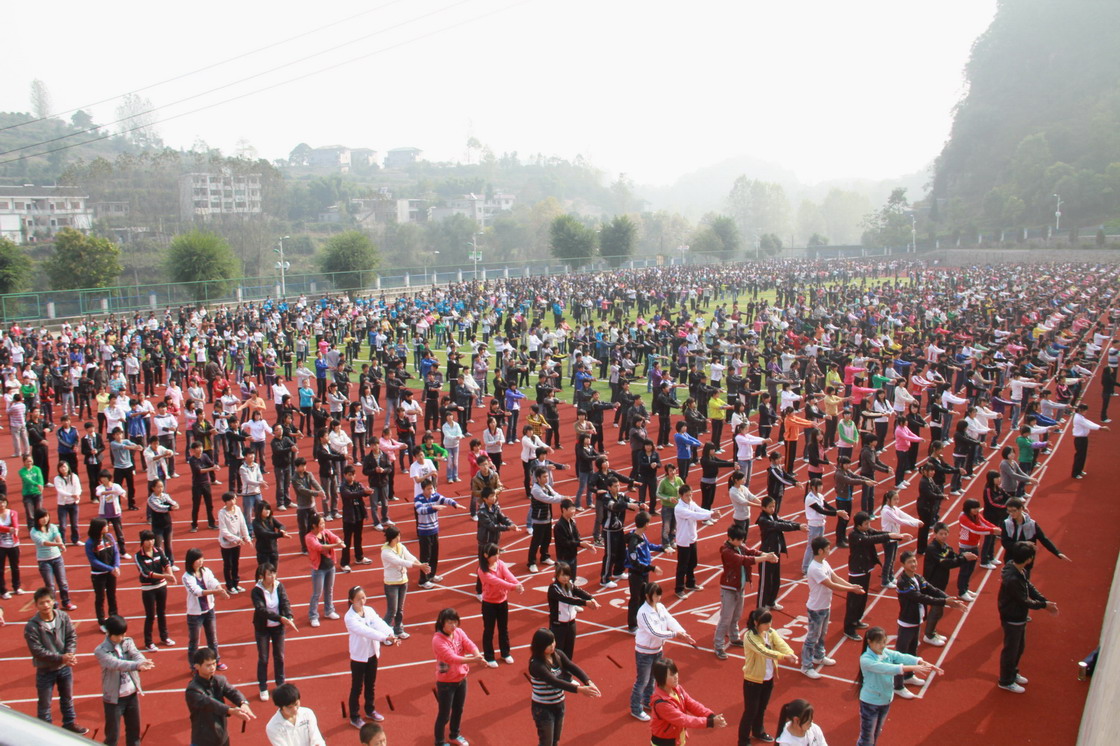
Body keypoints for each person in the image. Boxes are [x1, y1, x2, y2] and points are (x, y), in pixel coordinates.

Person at [893, 551, 964, 698]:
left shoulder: (918, 578)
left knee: (912, 651)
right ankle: (897, 685)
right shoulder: (903, 582)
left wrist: (947, 597)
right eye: (910, 562)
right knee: (900, 655)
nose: (914, 564)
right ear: (903, 565)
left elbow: (932, 589)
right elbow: (921, 597)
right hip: (907, 622)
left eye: (914, 561)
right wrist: (945, 602)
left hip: (917, 621)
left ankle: (909, 675)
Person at [856, 627, 941, 746]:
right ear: (869, 642)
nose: (882, 645)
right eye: (879, 642)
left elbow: (901, 656)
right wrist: (913, 668)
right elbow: (887, 669)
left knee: (875, 733)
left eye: (884, 642)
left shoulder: (885, 652)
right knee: (867, 738)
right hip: (870, 703)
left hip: (885, 700)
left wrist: (922, 662)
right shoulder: (866, 659)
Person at [23, 586, 88, 734]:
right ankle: (45, 731)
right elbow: (37, 651)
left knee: (67, 698)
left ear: (53, 602)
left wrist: (69, 654)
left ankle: (69, 723)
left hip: (65, 667)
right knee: (45, 704)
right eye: (41, 603)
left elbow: (72, 636)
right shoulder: (32, 627)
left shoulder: (63, 617)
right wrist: (62, 658)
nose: (45, 605)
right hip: (45, 670)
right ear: (36, 605)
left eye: (47, 601)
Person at [997, 541, 1059, 693]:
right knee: (1011, 650)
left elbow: (1029, 587)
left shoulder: (1017, 569)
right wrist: (1044, 606)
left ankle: (1013, 673)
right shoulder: (1013, 578)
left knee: (1019, 648)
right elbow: (1024, 600)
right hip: (1012, 617)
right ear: (1029, 559)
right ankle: (1005, 680)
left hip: (1018, 616)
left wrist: (1043, 600)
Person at [630, 582, 695, 722]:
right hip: (644, 652)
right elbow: (654, 632)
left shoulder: (660, 607)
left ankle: (647, 700)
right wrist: (674, 635)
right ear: (647, 596)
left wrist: (682, 632)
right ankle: (636, 708)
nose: (659, 597)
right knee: (642, 680)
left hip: (657, 650)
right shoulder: (643, 612)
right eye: (656, 595)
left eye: (659, 594)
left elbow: (670, 620)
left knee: (653, 678)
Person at [803, 536, 865, 679]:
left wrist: (852, 585)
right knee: (812, 637)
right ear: (820, 551)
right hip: (816, 608)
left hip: (825, 605)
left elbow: (835, 577)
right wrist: (851, 590)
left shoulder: (824, 563)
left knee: (822, 634)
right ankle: (806, 666)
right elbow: (832, 585)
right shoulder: (814, 568)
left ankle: (819, 656)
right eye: (827, 549)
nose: (830, 550)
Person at [528, 627, 600, 746]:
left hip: (558, 704)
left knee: (555, 740)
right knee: (546, 743)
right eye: (548, 644)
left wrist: (588, 681)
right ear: (540, 646)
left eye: (553, 642)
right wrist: (580, 689)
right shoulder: (536, 664)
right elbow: (553, 681)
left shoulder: (558, 654)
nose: (552, 646)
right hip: (543, 708)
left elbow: (572, 667)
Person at [714, 524, 776, 659]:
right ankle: (718, 646)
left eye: (742, 540)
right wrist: (766, 558)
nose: (742, 542)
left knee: (736, 615)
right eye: (739, 540)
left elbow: (751, 552)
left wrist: (766, 554)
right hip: (729, 588)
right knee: (725, 618)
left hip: (739, 587)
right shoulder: (726, 551)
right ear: (730, 538)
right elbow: (745, 560)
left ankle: (734, 637)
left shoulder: (738, 546)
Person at [94, 614, 154, 746]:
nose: (121, 638)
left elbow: (136, 654)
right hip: (114, 699)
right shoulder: (101, 651)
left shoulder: (127, 641)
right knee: (112, 736)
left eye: (123, 634)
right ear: (108, 633)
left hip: (131, 695)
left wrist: (143, 661)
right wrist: (137, 665)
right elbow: (116, 664)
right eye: (117, 635)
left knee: (134, 733)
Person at [739, 609, 797, 745]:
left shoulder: (770, 632)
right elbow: (763, 651)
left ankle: (758, 731)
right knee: (750, 711)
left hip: (768, 678)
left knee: (762, 708)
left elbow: (780, 643)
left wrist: (790, 653)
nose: (769, 625)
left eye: (770, 622)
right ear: (756, 623)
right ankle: (743, 740)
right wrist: (784, 657)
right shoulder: (749, 637)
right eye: (765, 623)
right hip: (753, 680)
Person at [843, 513, 902, 640]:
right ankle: (849, 628)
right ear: (859, 525)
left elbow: (878, 534)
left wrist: (897, 536)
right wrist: (890, 535)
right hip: (857, 571)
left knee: (863, 597)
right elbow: (870, 540)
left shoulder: (866, 531)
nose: (869, 526)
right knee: (854, 600)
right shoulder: (854, 535)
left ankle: (856, 620)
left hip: (866, 569)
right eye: (866, 524)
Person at [344, 585, 396, 728]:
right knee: (357, 687)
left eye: (363, 597)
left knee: (370, 684)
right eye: (358, 599)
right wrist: (385, 638)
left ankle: (370, 710)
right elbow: (366, 631)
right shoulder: (350, 618)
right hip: (359, 657)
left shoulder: (369, 610)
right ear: (351, 600)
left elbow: (379, 623)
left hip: (372, 653)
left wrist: (390, 633)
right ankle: (354, 716)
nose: (362, 601)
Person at [432, 607, 485, 746]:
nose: (453, 626)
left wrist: (477, 654)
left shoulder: (458, 632)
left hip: (461, 678)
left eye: (455, 622)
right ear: (442, 623)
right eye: (449, 623)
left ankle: (454, 735)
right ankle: (439, 741)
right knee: (444, 715)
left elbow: (469, 644)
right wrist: (475, 661)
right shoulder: (438, 640)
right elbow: (452, 658)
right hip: (446, 682)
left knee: (458, 709)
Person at [648, 657, 727, 744]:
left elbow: (691, 703)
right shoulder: (661, 703)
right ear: (662, 678)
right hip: (665, 742)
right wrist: (709, 722)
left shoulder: (677, 688)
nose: (676, 676)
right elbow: (683, 719)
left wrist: (710, 715)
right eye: (671, 674)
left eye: (675, 672)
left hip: (677, 737)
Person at [186, 647, 255, 746]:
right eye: (208, 665)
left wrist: (243, 703)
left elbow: (232, 692)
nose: (212, 668)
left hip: (221, 737)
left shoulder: (220, 680)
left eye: (214, 663)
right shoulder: (193, 690)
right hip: (202, 739)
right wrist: (231, 710)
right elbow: (209, 703)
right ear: (197, 666)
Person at [252, 562, 297, 701]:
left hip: (278, 627)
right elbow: (261, 610)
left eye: (274, 573)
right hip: (263, 628)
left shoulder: (279, 586)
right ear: (262, 576)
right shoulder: (256, 591)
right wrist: (280, 618)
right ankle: (263, 687)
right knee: (264, 658)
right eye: (269, 574)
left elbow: (285, 602)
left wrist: (289, 616)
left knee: (279, 656)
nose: (272, 576)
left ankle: (280, 683)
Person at [756, 496, 806, 610]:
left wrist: (797, 524)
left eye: (773, 506)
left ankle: (771, 602)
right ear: (763, 507)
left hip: (776, 553)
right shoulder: (763, 520)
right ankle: (761, 607)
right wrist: (798, 527)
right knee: (765, 582)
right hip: (766, 555)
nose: (773, 509)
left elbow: (783, 521)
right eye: (770, 507)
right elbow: (778, 525)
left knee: (776, 580)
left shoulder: (773, 516)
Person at [183, 547, 229, 671]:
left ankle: (216, 661)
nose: (200, 561)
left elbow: (213, 581)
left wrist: (219, 588)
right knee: (194, 642)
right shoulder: (187, 577)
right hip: (195, 614)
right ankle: (194, 666)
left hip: (209, 610)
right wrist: (217, 592)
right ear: (191, 561)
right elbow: (197, 592)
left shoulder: (206, 571)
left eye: (201, 558)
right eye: (197, 559)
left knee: (212, 639)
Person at [624, 510, 669, 632]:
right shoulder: (633, 541)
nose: (649, 525)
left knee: (644, 598)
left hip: (644, 573)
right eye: (649, 523)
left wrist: (662, 548)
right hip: (636, 574)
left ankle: (642, 620)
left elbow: (648, 545)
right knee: (635, 599)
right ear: (645, 524)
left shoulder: (642, 535)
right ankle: (632, 625)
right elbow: (635, 563)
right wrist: (652, 568)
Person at [414, 478, 464, 588]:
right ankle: (423, 580)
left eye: (432, 488)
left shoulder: (435, 496)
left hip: (434, 530)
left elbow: (445, 499)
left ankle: (431, 575)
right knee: (425, 557)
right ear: (423, 489)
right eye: (428, 489)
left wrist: (455, 504)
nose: (431, 491)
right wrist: (433, 507)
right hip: (424, 532)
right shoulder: (418, 499)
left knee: (434, 555)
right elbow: (420, 510)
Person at [381, 525, 427, 639]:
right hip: (391, 583)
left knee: (400, 609)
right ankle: (383, 633)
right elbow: (400, 562)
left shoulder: (400, 546)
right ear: (392, 538)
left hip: (403, 581)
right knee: (392, 610)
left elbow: (409, 557)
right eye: (398, 536)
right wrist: (419, 566)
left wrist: (420, 564)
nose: (399, 538)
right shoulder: (386, 552)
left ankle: (398, 629)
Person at [547, 561, 599, 660]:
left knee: (569, 651)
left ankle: (567, 671)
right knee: (557, 652)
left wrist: (591, 598)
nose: (565, 578)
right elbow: (566, 599)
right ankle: (556, 672)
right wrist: (585, 603)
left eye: (567, 575)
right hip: (558, 625)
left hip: (571, 624)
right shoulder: (553, 589)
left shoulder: (570, 585)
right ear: (557, 575)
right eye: (562, 575)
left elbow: (579, 591)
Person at [135, 529, 175, 651]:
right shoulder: (138, 555)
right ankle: (149, 642)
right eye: (148, 540)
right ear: (143, 541)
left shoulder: (159, 551)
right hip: (148, 588)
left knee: (162, 612)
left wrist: (171, 575)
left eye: (152, 539)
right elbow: (146, 573)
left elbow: (166, 563)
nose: (151, 542)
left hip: (161, 586)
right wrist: (165, 576)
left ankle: (164, 637)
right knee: (150, 615)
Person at [1001, 497, 1071, 565]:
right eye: (1009, 511)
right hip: (1011, 559)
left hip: (1026, 560)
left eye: (1014, 510)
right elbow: (1005, 543)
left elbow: (1043, 539)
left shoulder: (1032, 524)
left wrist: (1057, 552)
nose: (1011, 513)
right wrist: (1024, 544)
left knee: (1024, 577)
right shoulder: (1006, 523)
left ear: (1021, 508)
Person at [673, 482, 715, 597]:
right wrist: (711, 515)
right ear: (681, 496)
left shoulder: (691, 503)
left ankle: (690, 583)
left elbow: (699, 510)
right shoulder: (679, 508)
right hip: (683, 540)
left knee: (693, 562)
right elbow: (693, 515)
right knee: (682, 566)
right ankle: (679, 588)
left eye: (691, 495)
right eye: (687, 495)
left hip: (692, 538)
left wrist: (711, 513)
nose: (689, 497)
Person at [29, 509, 75, 611]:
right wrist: (58, 544)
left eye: (46, 516)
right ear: (37, 519)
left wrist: (61, 545)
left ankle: (66, 602)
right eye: (42, 517)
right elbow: (44, 542)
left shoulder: (53, 527)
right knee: (50, 585)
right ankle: (54, 605)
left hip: (57, 558)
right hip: (44, 561)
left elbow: (57, 536)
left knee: (63, 582)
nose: (45, 519)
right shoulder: (34, 532)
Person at [306, 512, 343, 627]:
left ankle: (329, 610)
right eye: (321, 523)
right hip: (319, 569)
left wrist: (338, 541)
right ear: (314, 525)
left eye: (323, 523)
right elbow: (319, 547)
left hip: (330, 566)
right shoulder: (309, 537)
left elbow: (334, 537)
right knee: (317, 593)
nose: (323, 525)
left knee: (329, 590)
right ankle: (313, 615)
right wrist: (336, 545)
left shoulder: (325, 533)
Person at [86, 516, 121, 630]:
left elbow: (116, 552)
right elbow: (93, 561)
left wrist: (116, 566)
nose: (107, 527)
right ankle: (101, 622)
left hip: (111, 573)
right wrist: (110, 568)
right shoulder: (90, 543)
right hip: (98, 575)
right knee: (100, 597)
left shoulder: (109, 537)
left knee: (112, 595)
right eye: (105, 525)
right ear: (98, 528)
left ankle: (114, 617)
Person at [341, 465, 374, 572]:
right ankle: (344, 563)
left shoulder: (358, 484)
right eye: (349, 475)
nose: (352, 477)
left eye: (353, 475)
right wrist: (363, 492)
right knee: (347, 540)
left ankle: (359, 557)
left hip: (358, 514)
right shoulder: (343, 487)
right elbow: (350, 495)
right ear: (345, 475)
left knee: (358, 538)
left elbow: (364, 493)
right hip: (349, 517)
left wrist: (368, 491)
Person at [218, 491, 251, 593]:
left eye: (234, 499)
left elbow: (242, 524)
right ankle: (229, 585)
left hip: (237, 542)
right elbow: (223, 530)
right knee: (228, 564)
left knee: (236, 563)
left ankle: (236, 583)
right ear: (225, 502)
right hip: (227, 543)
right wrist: (235, 538)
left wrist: (247, 537)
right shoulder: (222, 513)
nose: (233, 502)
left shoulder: (237, 509)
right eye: (230, 500)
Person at [187, 440, 219, 532]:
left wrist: (215, 466)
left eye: (201, 447)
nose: (200, 449)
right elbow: (199, 471)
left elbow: (211, 463)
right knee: (196, 506)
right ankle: (194, 525)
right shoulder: (192, 460)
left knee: (209, 505)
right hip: (197, 485)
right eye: (197, 448)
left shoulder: (204, 456)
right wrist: (212, 468)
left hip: (206, 484)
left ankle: (211, 523)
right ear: (193, 450)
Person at [1071, 402, 1109, 478]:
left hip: (1083, 439)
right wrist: (1100, 428)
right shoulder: (1078, 418)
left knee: (1083, 455)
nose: (1086, 412)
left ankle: (1080, 470)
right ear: (1081, 410)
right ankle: (1075, 473)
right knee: (1079, 456)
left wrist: (1099, 426)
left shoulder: (1080, 416)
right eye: (1085, 410)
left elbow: (1088, 422)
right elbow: (1088, 425)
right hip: (1080, 440)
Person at [52, 459, 82, 547]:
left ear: (68, 467)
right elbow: (60, 490)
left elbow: (78, 488)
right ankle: (62, 542)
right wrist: (72, 495)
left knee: (75, 524)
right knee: (63, 525)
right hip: (63, 505)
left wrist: (77, 494)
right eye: (61, 467)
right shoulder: (57, 479)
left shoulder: (74, 476)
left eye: (64, 466)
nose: (63, 469)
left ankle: (75, 540)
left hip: (73, 504)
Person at [254, 500, 289, 571]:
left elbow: (282, 525)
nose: (267, 511)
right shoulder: (256, 523)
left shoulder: (271, 519)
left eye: (268, 509)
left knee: (273, 573)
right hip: (263, 553)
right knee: (265, 574)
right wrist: (280, 535)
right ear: (260, 510)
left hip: (273, 550)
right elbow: (265, 534)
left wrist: (281, 530)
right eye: (265, 509)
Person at [0, 493, 22, 599]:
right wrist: (9, 529)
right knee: (0, 569)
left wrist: (15, 529)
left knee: (15, 567)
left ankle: (16, 586)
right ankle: (3, 590)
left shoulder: (12, 513)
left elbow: (15, 524)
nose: (1, 504)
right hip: (1, 546)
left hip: (13, 544)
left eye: (3, 502)